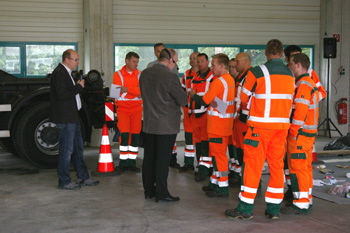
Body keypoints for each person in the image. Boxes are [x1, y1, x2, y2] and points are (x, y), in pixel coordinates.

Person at [225, 39, 295, 220]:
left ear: (266, 52)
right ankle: (273, 209)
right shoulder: (290, 73)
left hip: (260, 128)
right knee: (277, 167)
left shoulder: (257, 72)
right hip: (281, 128)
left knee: (252, 167)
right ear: (282, 54)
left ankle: (246, 208)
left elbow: (243, 98)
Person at [140, 48, 187, 203]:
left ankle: (149, 190)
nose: (176, 65)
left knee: (149, 158)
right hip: (165, 125)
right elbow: (183, 100)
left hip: (149, 123)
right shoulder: (169, 76)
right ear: (170, 60)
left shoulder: (144, 74)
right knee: (162, 160)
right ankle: (162, 193)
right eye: (176, 61)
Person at [50, 49, 99, 190]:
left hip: (72, 116)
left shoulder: (66, 73)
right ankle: (64, 181)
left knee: (78, 148)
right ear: (66, 59)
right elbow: (62, 94)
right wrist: (78, 87)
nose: (77, 63)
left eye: (78, 60)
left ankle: (83, 177)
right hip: (66, 118)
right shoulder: (59, 73)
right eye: (75, 60)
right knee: (66, 150)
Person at [283, 45, 326, 200]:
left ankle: (301, 201)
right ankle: (306, 197)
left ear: (298, 65)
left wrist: (293, 131)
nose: (289, 67)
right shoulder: (308, 83)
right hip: (308, 134)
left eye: (291, 64)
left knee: (298, 168)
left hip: (300, 134)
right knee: (306, 167)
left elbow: (300, 111)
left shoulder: (302, 85)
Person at [190, 53, 235, 197]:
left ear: (222, 66)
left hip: (217, 126)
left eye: (214, 65)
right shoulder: (230, 80)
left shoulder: (218, 82)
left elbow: (204, 100)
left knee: (219, 157)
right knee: (217, 156)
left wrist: (193, 94)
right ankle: (214, 183)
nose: (211, 67)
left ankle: (222, 187)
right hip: (224, 125)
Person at [147, 43, 179, 168]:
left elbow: (174, 87)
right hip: (159, 114)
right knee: (158, 155)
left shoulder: (172, 69)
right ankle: (160, 185)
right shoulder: (150, 67)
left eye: (162, 50)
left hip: (163, 112)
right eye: (157, 51)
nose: (159, 52)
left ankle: (172, 159)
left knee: (161, 151)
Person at [112, 52, 142, 173]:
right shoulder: (117, 74)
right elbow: (115, 94)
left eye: (137, 62)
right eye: (134, 61)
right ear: (127, 61)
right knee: (124, 137)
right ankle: (123, 163)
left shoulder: (140, 75)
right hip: (123, 109)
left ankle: (132, 162)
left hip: (136, 109)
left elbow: (143, 92)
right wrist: (135, 91)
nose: (136, 64)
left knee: (135, 137)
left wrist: (127, 90)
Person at [189, 53, 215, 181]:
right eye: (198, 61)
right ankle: (201, 166)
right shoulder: (195, 78)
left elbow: (207, 98)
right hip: (195, 114)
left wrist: (195, 96)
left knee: (206, 143)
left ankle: (206, 169)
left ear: (208, 61)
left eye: (202, 61)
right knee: (198, 142)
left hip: (206, 114)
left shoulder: (212, 78)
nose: (199, 63)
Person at [229, 53, 252, 187]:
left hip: (245, 121)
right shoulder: (240, 78)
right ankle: (240, 175)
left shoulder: (249, 77)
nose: (235, 65)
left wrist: (241, 116)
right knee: (238, 149)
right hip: (238, 120)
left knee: (246, 151)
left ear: (245, 62)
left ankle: (248, 180)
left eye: (237, 62)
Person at [179, 51, 199, 172]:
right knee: (189, 138)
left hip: (201, 112)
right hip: (188, 111)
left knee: (201, 140)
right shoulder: (186, 74)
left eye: (195, 58)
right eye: (191, 58)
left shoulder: (207, 75)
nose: (192, 60)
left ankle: (203, 164)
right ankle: (189, 163)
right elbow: (181, 92)